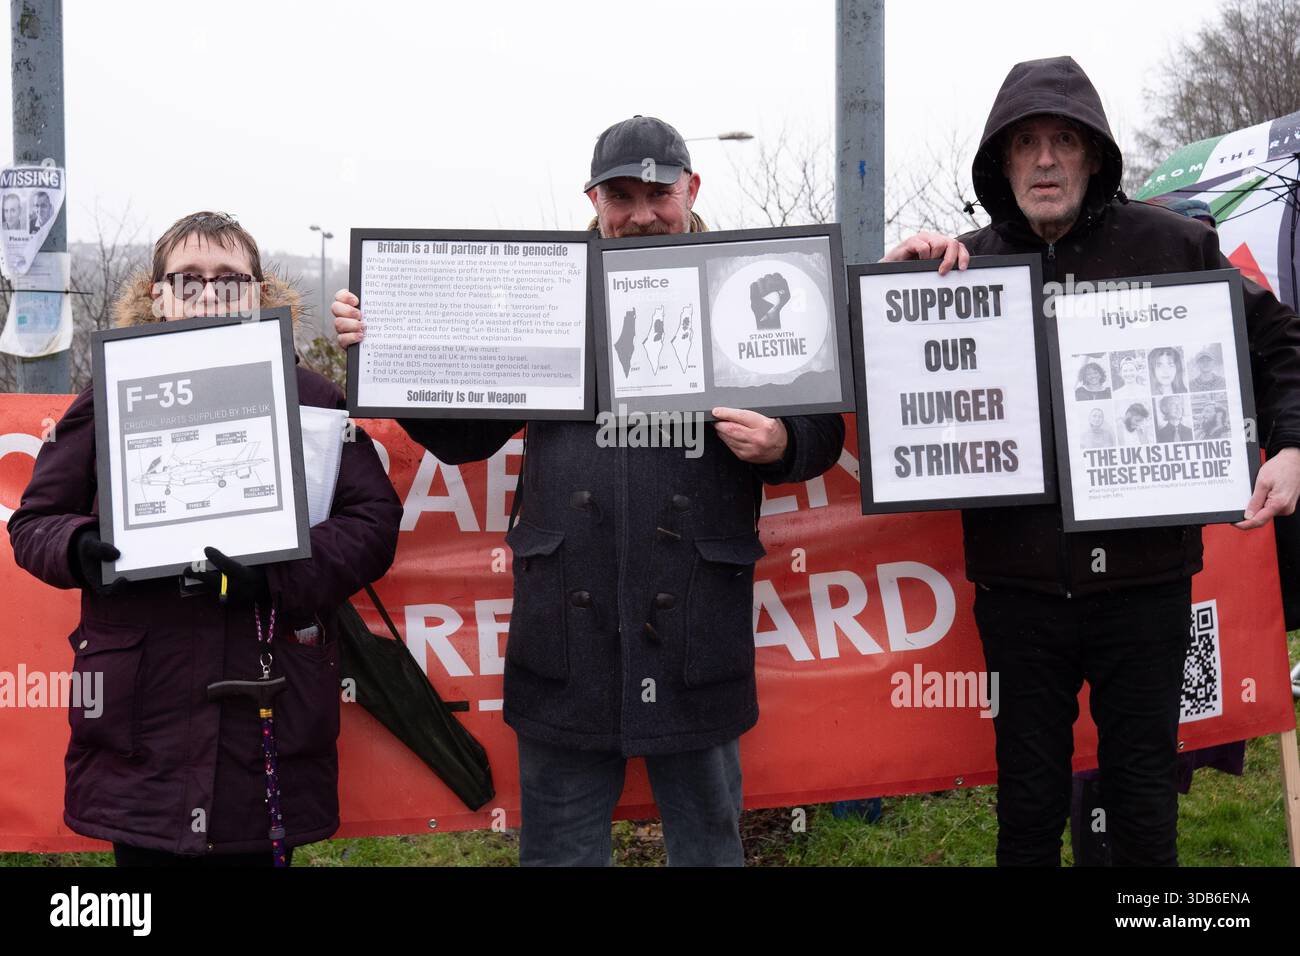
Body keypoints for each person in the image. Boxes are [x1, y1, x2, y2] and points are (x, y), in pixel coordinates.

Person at [333, 116, 845, 866]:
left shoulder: (744, 282)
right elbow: (461, 437)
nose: (641, 213)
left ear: (692, 189)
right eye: (621, 195)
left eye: (658, 193)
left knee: (709, 845)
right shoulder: (547, 294)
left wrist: (783, 442)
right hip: (566, 629)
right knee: (560, 852)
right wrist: (386, 349)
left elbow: (820, 428)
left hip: (695, 624)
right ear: (594, 198)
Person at [890, 56, 1300, 866]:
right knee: (1028, 806)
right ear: (1001, 164)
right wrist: (904, 289)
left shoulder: (1175, 245)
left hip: (1146, 588)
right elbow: (869, 366)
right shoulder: (958, 265)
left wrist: (1290, 444)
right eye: (1028, 144)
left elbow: (1279, 339)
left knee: (1144, 804)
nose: (1046, 160)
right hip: (1019, 593)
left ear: (1094, 156)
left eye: (1065, 141)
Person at [8, 211, 402, 866]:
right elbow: (34, 522)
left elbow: (372, 524)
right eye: (187, 279)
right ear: (156, 295)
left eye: (230, 279)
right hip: (143, 715)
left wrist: (274, 577)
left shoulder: (312, 397)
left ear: (261, 294)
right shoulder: (108, 393)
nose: (210, 293)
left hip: (265, 697)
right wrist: (82, 550)